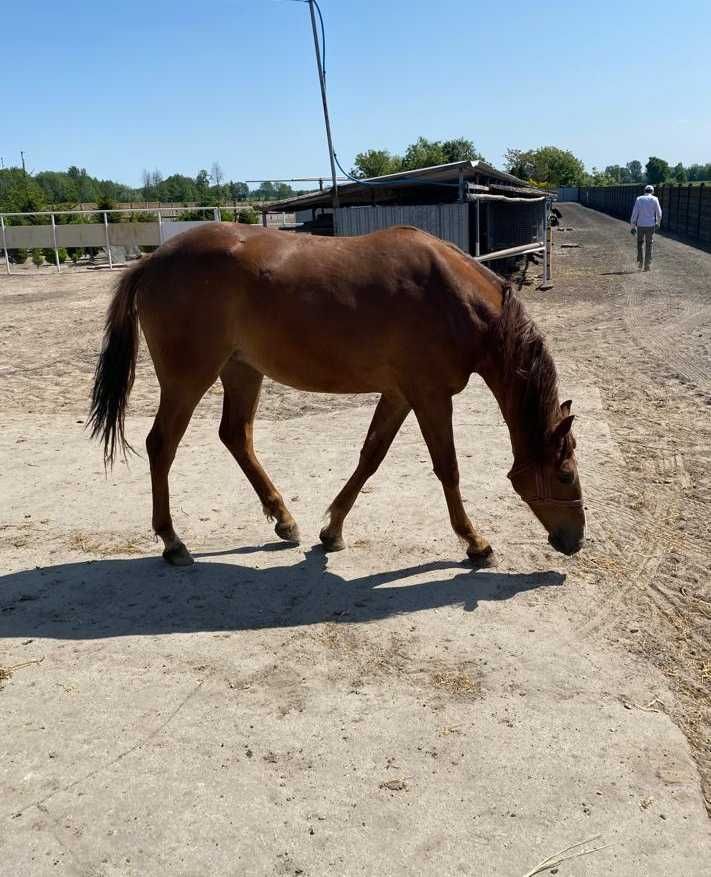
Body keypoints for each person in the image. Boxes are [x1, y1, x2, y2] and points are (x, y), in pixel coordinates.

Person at [630, 184, 662, 271]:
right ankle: (647, 264)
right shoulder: (655, 199)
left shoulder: (639, 199)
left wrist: (633, 226)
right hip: (650, 225)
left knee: (640, 243)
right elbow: (659, 213)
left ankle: (640, 262)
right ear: (652, 191)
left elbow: (634, 213)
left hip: (640, 225)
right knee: (649, 244)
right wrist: (658, 223)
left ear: (644, 191)